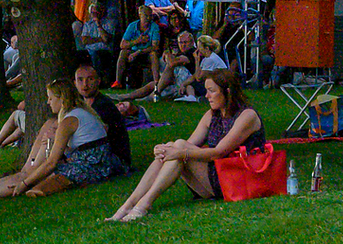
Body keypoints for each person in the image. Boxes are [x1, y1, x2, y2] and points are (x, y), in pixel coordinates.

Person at [108, 69, 266, 221]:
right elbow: (188, 145)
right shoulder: (212, 114)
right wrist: (165, 149)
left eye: (212, 91)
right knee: (174, 146)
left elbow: (218, 152)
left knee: (178, 148)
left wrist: (179, 152)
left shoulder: (247, 116)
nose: (207, 96)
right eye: (206, 90)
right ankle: (129, 205)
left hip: (237, 180)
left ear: (228, 92)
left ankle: (143, 205)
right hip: (216, 178)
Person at [0, 79, 109, 203]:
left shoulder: (68, 120)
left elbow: (51, 163)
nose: (48, 102)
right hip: (95, 162)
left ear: (61, 99)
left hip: (93, 167)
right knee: (28, 174)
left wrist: (25, 184)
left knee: (31, 176)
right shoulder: (77, 114)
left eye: (50, 98)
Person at [113, 7, 160, 89]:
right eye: (146, 16)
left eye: (150, 16)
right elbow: (122, 45)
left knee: (153, 54)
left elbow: (155, 47)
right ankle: (118, 82)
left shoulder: (154, 27)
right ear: (140, 15)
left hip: (146, 52)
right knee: (123, 52)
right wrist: (137, 41)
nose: (148, 18)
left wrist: (139, 52)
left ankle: (157, 83)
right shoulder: (132, 26)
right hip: (133, 51)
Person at [75, 4, 113, 77]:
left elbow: (106, 39)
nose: (95, 15)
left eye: (96, 12)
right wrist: (100, 39)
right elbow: (84, 41)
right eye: (93, 13)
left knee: (96, 55)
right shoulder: (87, 24)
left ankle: (96, 77)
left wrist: (98, 25)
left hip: (103, 50)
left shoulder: (108, 23)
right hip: (89, 50)